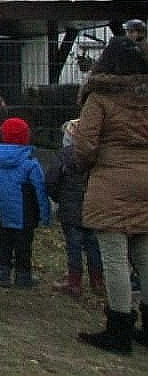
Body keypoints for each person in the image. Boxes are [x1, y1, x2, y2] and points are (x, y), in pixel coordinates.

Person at [74, 37, 148, 354]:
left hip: (111, 179)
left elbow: (85, 145)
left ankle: (118, 328)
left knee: (115, 258)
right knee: (145, 256)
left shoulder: (100, 98)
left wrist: (87, 165)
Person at [0, 117, 50, 289]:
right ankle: (23, 276)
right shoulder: (30, 164)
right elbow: (40, 190)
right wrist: (44, 215)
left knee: (4, 242)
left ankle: (2, 274)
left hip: (2, 211)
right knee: (24, 246)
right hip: (25, 213)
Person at [46, 119, 102, 298]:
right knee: (94, 246)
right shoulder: (96, 157)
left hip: (70, 210)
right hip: (93, 207)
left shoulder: (63, 156)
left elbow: (51, 182)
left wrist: (59, 198)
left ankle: (74, 282)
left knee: (74, 247)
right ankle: (97, 280)